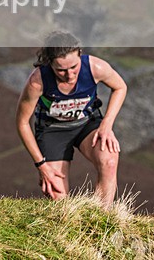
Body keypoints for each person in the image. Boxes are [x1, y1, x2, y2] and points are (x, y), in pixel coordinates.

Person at [15, 30, 127, 207]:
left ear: (80, 55)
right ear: (50, 64)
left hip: (87, 125)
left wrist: (106, 125)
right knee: (58, 197)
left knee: (110, 160)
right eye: (61, 70)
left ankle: (102, 220)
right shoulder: (37, 82)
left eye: (74, 67)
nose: (69, 75)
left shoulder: (95, 67)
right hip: (53, 131)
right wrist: (41, 165)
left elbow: (120, 87)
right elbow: (22, 123)